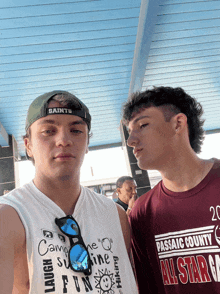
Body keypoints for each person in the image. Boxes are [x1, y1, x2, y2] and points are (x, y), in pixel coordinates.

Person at [0, 90, 138, 294]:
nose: (64, 140)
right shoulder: (10, 216)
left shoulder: (115, 216)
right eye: (48, 131)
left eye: (76, 131)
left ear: (87, 143)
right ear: (28, 145)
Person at [122, 86, 220, 293]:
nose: (131, 141)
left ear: (178, 124)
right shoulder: (142, 212)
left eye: (143, 125)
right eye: (130, 132)